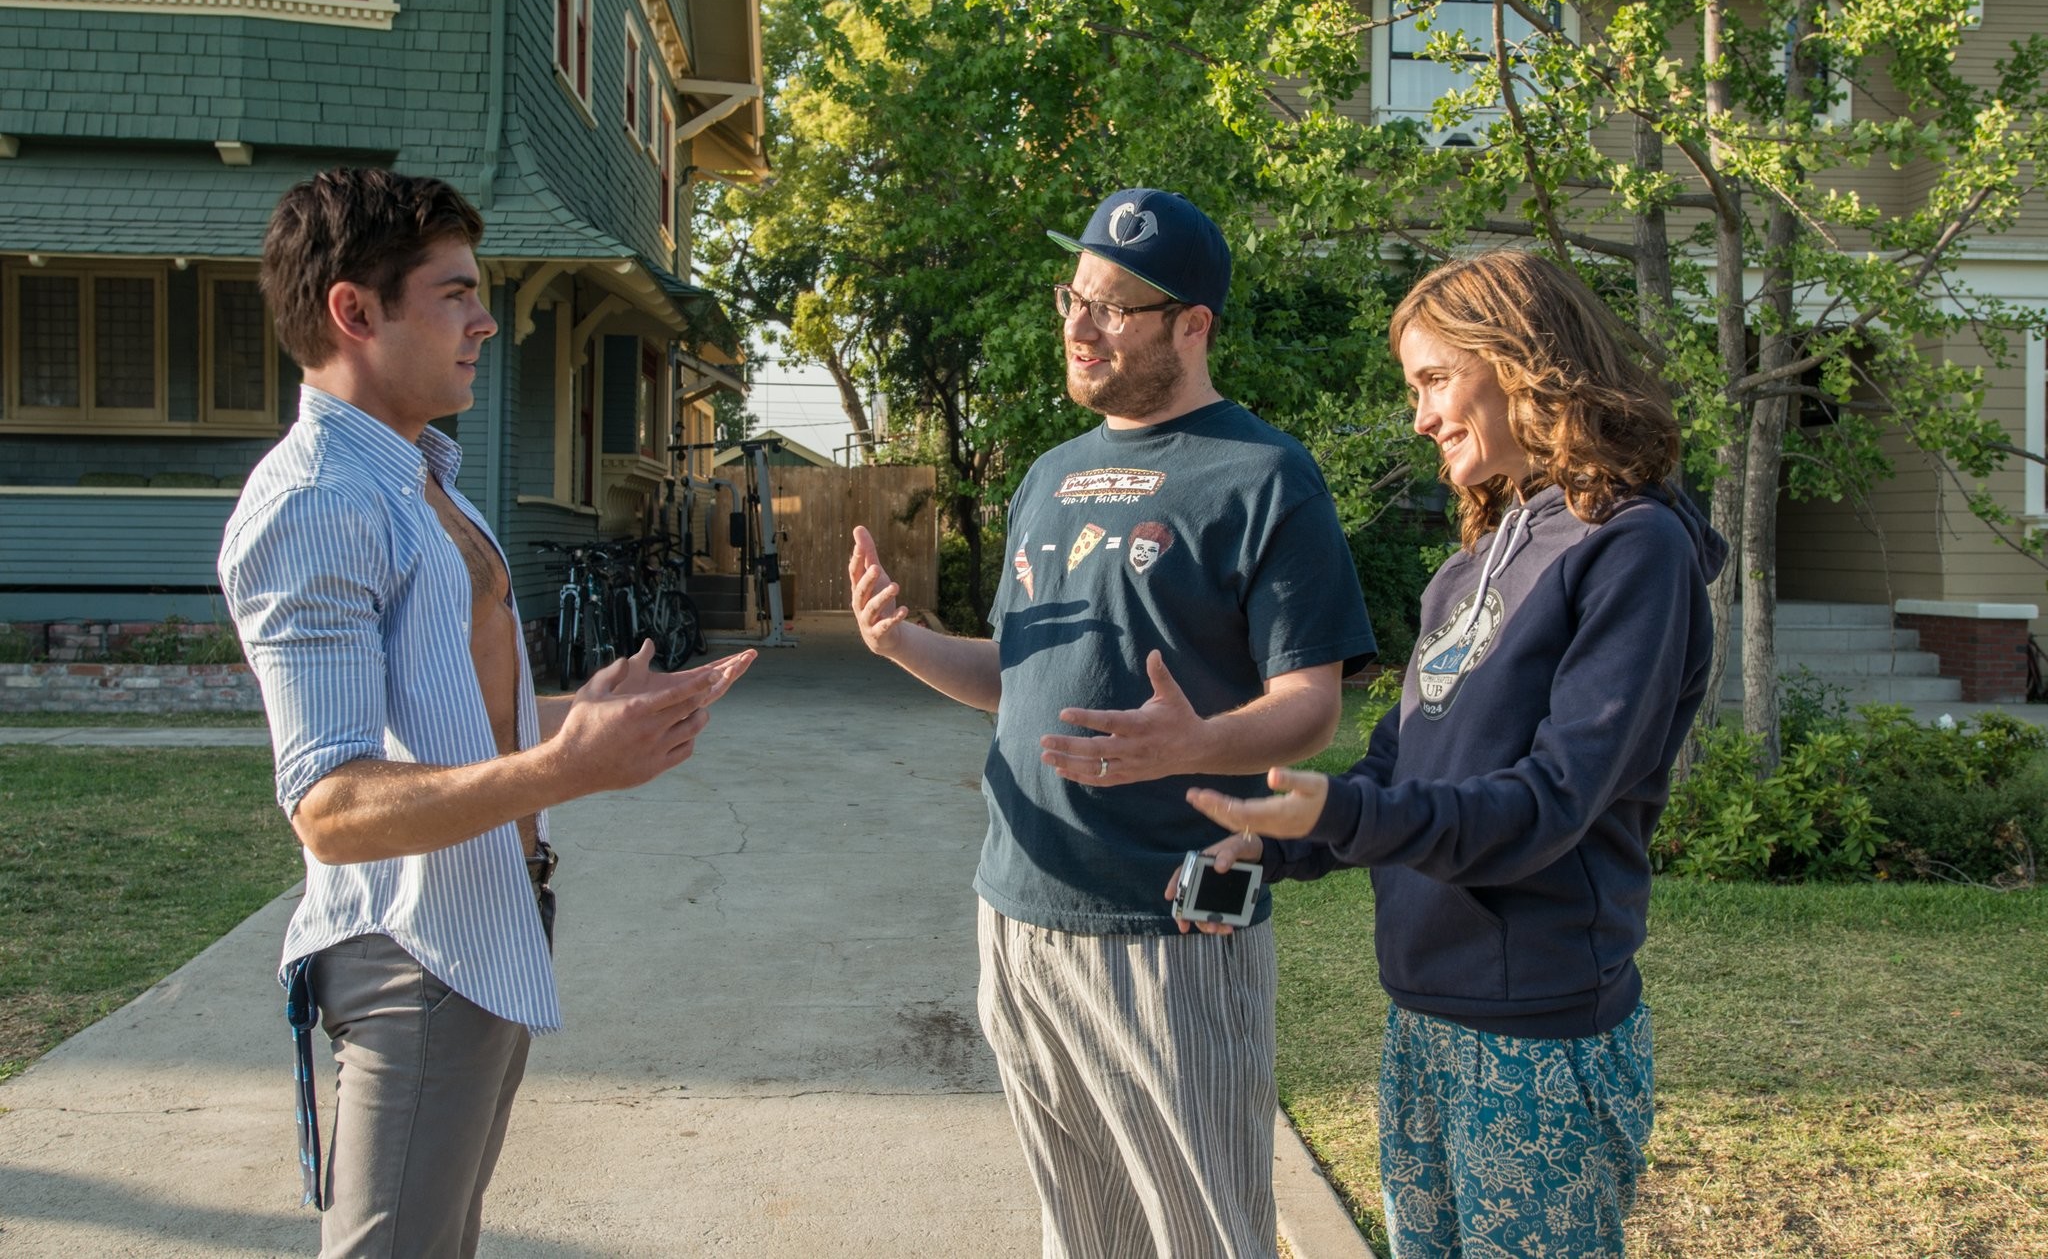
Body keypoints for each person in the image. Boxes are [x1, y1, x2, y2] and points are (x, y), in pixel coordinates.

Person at [218, 167, 753, 1258]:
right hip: (412, 950)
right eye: (455, 292)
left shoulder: (420, 478)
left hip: (486, 927)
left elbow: (442, 709)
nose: (486, 319)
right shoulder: (318, 501)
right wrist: (567, 767)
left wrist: (571, 716)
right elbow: (330, 803)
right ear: (354, 311)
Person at [849, 187, 1376, 1258]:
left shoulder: (1267, 477)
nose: (1079, 329)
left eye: (1113, 309)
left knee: (1205, 1232)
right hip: (1019, 911)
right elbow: (1016, 675)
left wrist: (1194, 743)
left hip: (1173, 925)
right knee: (1080, 1231)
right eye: (1072, 299)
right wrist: (902, 641)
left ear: (1192, 324)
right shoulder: (1047, 477)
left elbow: (1309, 704)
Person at [1184, 250, 1726, 1257]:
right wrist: (1271, 844)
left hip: (1537, 1037)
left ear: (1522, 362)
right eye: (1414, 388)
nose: (1421, 415)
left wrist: (1334, 817)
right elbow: (1395, 769)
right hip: (1422, 1018)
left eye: (1434, 379)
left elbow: (1548, 804)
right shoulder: (1468, 567)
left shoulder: (1631, 549)